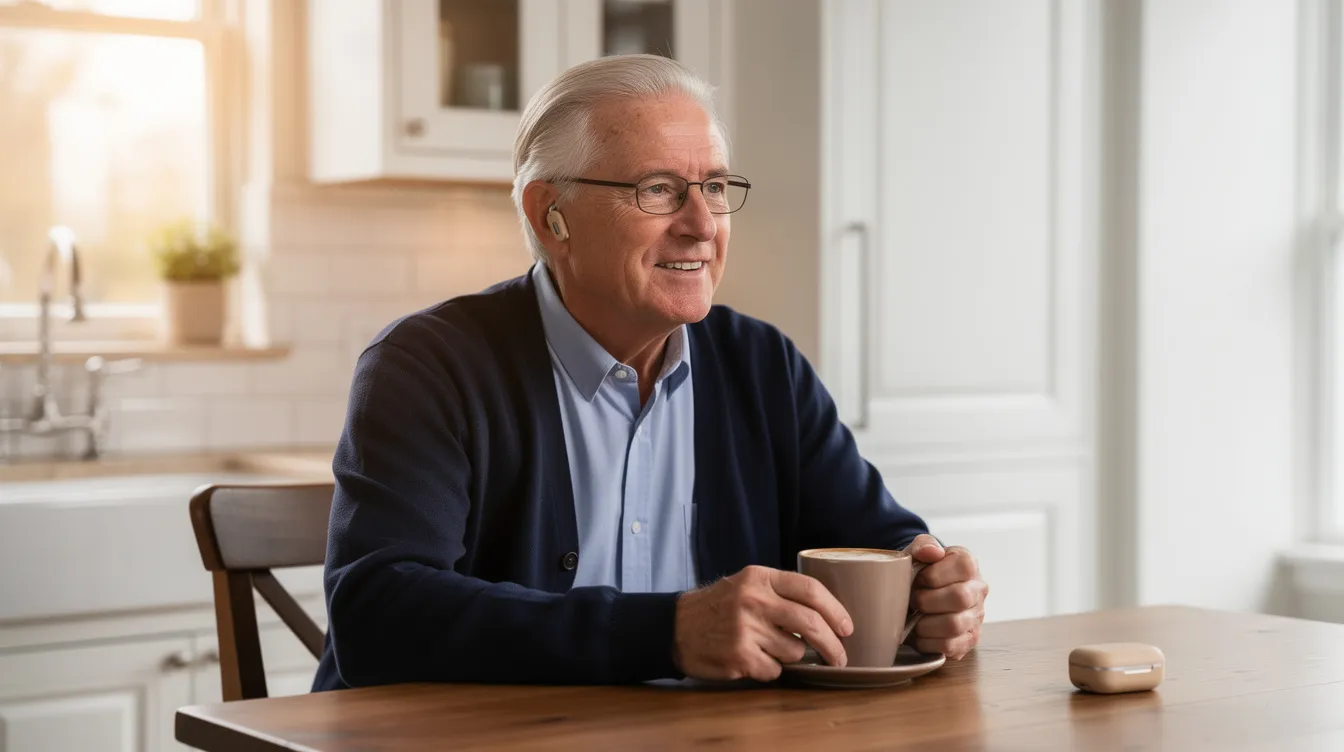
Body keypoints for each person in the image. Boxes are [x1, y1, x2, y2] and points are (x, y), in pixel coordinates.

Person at [312, 54, 988, 690]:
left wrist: (933, 586)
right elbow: (378, 614)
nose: (701, 225)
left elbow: (877, 540)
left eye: (715, 187)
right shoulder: (427, 365)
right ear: (551, 217)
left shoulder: (763, 366)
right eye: (658, 189)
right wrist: (667, 631)